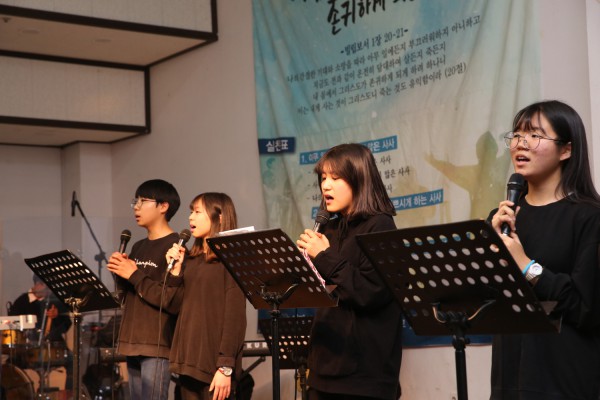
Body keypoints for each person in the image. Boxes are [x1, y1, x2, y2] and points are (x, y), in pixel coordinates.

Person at [488, 100, 600, 399]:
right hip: (508, 379)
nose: (520, 143)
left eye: (535, 135)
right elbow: (486, 302)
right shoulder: (502, 218)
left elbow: (587, 308)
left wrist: (527, 266)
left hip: (564, 380)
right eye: (517, 135)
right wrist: (489, 248)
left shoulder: (589, 217)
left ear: (566, 150)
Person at [296, 143, 403, 400]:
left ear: (359, 179)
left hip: (363, 377)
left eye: (335, 178)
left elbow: (370, 293)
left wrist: (324, 257)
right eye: (323, 178)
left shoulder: (380, 225)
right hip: (323, 368)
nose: (325, 186)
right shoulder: (329, 229)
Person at [163, 192, 247, 400]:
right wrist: (175, 272)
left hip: (214, 367)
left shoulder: (231, 259)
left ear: (220, 217)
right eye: (191, 212)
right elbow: (174, 307)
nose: (190, 217)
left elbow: (235, 317)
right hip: (188, 363)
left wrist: (225, 367)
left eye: (197, 212)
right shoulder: (191, 260)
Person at [107, 179, 181, 400]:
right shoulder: (138, 246)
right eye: (135, 201)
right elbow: (129, 295)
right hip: (133, 341)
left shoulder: (176, 246)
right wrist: (119, 272)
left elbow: (168, 298)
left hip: (156, 343)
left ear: (163, 206)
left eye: (143, 201)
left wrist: (133, 273)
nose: (136, 207)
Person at [8, 275, 73, 388]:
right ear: (38, 285)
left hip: (53, 346)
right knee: (9, 364)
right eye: (47, 288)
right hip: (27, 348)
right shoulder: (21, 302)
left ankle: (68, 393)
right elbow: (13, 326)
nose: (49, 292)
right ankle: (20, 392)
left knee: (72, 360)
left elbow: (66, 325)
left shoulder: (54, 301)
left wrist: (57, 316)